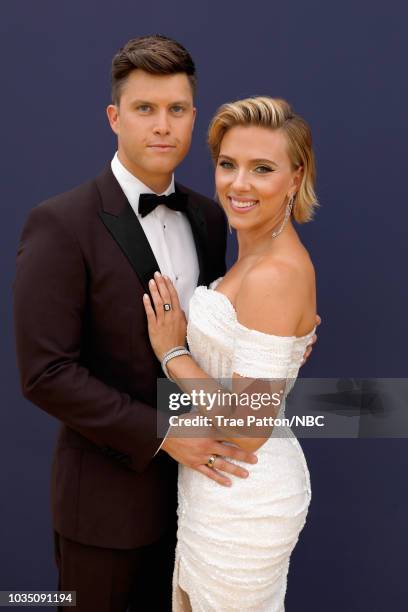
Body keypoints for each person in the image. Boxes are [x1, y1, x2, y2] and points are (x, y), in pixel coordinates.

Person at [13, 34, 318, 611]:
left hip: (211, 494)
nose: (162, 126)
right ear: (114, 117)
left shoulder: (210, 215)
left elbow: (231, 331)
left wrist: (280, 343)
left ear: (193, 116)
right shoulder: (59, 223)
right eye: (144, 109)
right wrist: (165, 434)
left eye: (176, 110)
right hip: (109, 507)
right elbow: (46, 373)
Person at [143, 96, 318, 611]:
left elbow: (248, 426)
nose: (238, 184)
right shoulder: (252, 251)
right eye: (227, 164)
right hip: (218, 481)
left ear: (294, 176)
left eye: (262, 168)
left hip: (245, 487)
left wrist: (173, 353)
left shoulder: (274, 273)